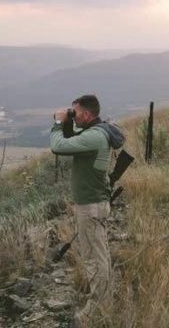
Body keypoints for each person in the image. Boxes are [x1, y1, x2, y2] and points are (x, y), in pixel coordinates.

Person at [50, 94, 125, 326]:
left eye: (75, 112)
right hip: (94, 204)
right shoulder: (97, 132)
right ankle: (104, 300)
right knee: (98, 255)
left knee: (94, 259)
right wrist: (67, 123)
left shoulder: (95, 136)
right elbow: (73, 137)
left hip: (90, 207)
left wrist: (56, 124)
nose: (73, 115)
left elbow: (58, 146)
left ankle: (97, 311)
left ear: (87, 114)